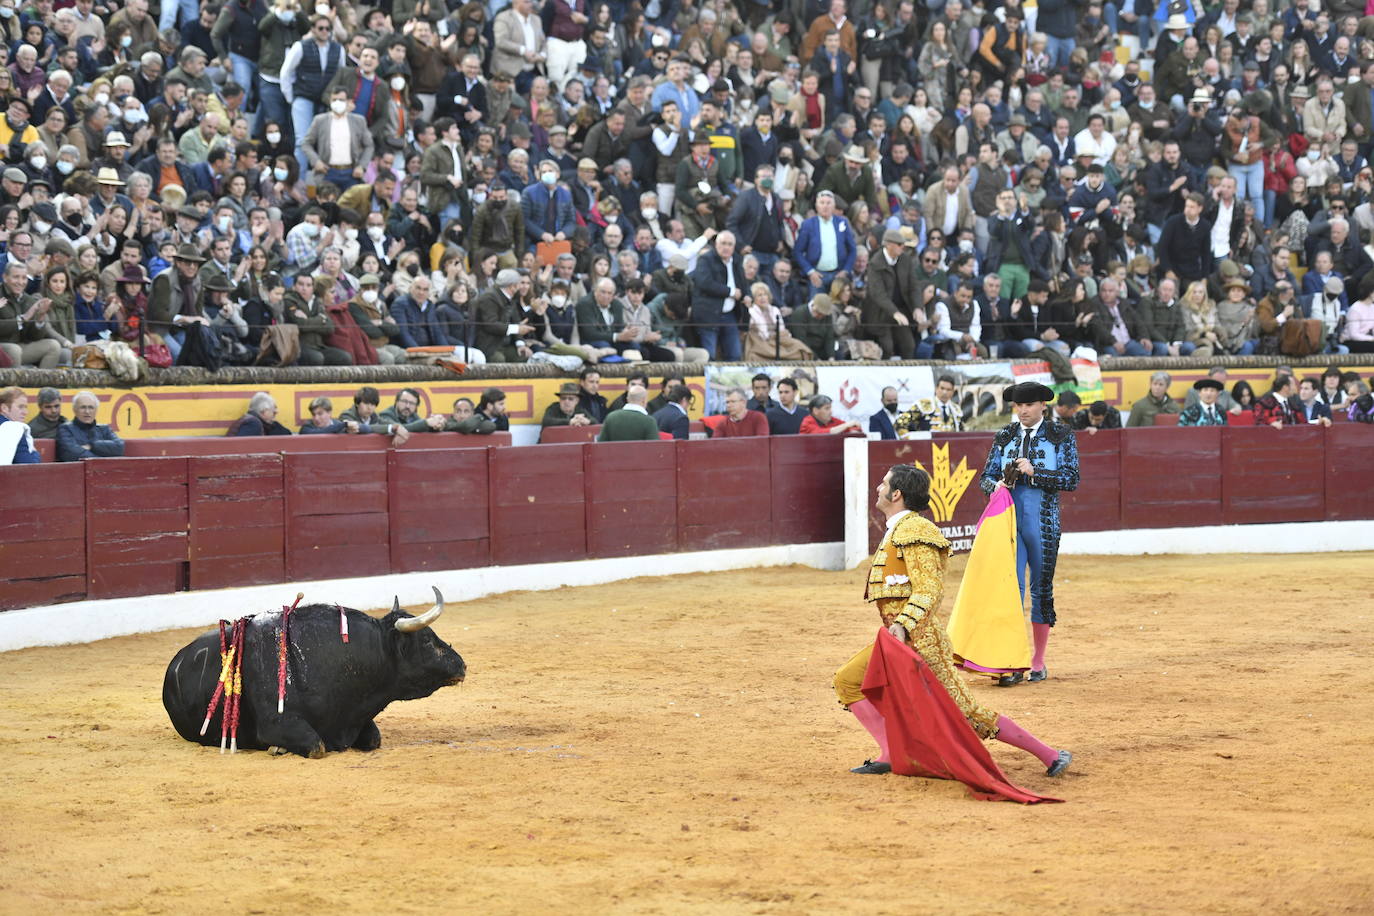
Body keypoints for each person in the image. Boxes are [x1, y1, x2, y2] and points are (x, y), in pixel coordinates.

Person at [831, 463, 1071, 778]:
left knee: (968, 712)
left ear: (897, 493)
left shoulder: (916, 530)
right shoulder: (900, 529)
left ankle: (1050, 755)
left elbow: (929, 588)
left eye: (883, 482)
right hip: (897, 639)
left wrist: (904, 623)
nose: (878, 487)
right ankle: (889, 752)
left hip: (922, 640)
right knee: (849, 681)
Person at [979, 382, 1080, 686]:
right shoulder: (1005, 435)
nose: (1022, 411)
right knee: (1011, 590)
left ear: (1042, 406)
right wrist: (994, 486)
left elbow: (1071, 478)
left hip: (1044, 523)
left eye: (1028, 405)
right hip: (1009, 522)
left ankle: (1037, 661)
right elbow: (985, 476)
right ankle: (1012, 662)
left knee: (1041, 590)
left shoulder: (1061, 435)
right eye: (1018, 406)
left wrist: (1035, 472)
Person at [56, 391, 125, 461]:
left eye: (91, 407)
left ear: (96, 410)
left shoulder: (104, 429)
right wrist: (104, 459)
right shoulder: (65, 429)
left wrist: (92, 446)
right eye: (83, 407)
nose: (87, 411)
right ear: (74, 410)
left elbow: (119, 448)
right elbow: (72, 454)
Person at [895, 375, 961, 435]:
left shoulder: (956, 409)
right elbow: (899, 423)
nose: (944, 392)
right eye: (942, 388)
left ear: (953, 392)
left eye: (948, 389)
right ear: (936, 389)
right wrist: (910, 440)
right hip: (925, 446)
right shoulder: (923, 405)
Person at [0, 386, 41, 465]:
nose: (25, 412)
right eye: (20, 407)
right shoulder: (15, 430)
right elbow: (29, 468)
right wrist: (34, 453)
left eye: (25, 407)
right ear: (4, 408)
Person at [799, 394, 863, 435]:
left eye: (830, 408)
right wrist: (846, 426)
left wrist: (854, 431)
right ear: (815, 411)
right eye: (827, 408)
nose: (831, 412)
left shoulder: (832, 420)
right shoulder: (807, 422)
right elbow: (820, 434)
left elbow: (853, 429)